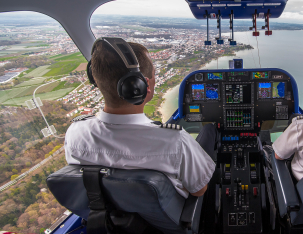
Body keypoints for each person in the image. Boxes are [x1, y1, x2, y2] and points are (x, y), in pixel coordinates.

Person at [65, 39, 216, 198]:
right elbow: (199, 190)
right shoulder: (175, 142)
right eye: (153, 73)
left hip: (104, 220)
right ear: (143, 85)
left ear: (95, 80)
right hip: (167, 222)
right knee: (209, 130)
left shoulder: (75, 133)